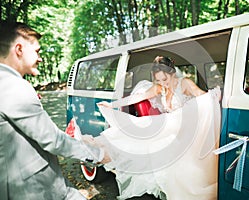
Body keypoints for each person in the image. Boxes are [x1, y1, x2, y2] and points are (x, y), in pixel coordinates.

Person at [0, 21, 110, 200]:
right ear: (19, 49)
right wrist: (98, 154)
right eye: (36, 51)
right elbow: (52, 140)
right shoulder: (13, 87)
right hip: (34, 189)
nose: (40, 58)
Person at [95, 56, 221, 200]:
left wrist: (213, 96)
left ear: (173, 73)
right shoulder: (159, 88)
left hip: (186, 128)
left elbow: (202, 97)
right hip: (169, 125)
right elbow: (138, 97)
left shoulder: (184, 83)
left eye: (165, 79)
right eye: (158, 80)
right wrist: (112, 105)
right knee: (137, 131)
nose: (163, 83)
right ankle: (95, 148)